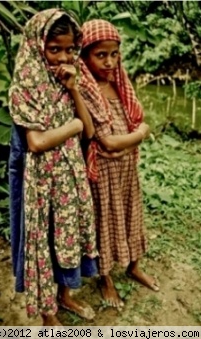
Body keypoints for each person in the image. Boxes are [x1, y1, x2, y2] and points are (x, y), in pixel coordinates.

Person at [8, 9, 98, 326]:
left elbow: (89, 131)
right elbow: (36, 142)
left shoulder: (70, 79)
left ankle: (65, 295)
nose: (63, 57)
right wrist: (71, 125)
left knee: (69, 235)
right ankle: (48, 313)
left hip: (70, 176)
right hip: (42, 182)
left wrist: (74, 89)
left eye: (69, 49)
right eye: (54, 48)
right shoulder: (26, 86)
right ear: (37, 45)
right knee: (43, 241)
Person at [78, 19, 160, 308]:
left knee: (131, 213)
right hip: (103, 171)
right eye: (101, 55)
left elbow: (137, 121)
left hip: (126, 167)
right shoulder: (86, 91)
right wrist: (141, 133)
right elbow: (108, 142)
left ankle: (134, 265)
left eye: (114, 54)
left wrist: (138, 133)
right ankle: (105, 277)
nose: (110, 62)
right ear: (84, 56)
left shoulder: (119, 84)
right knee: (106, 221)